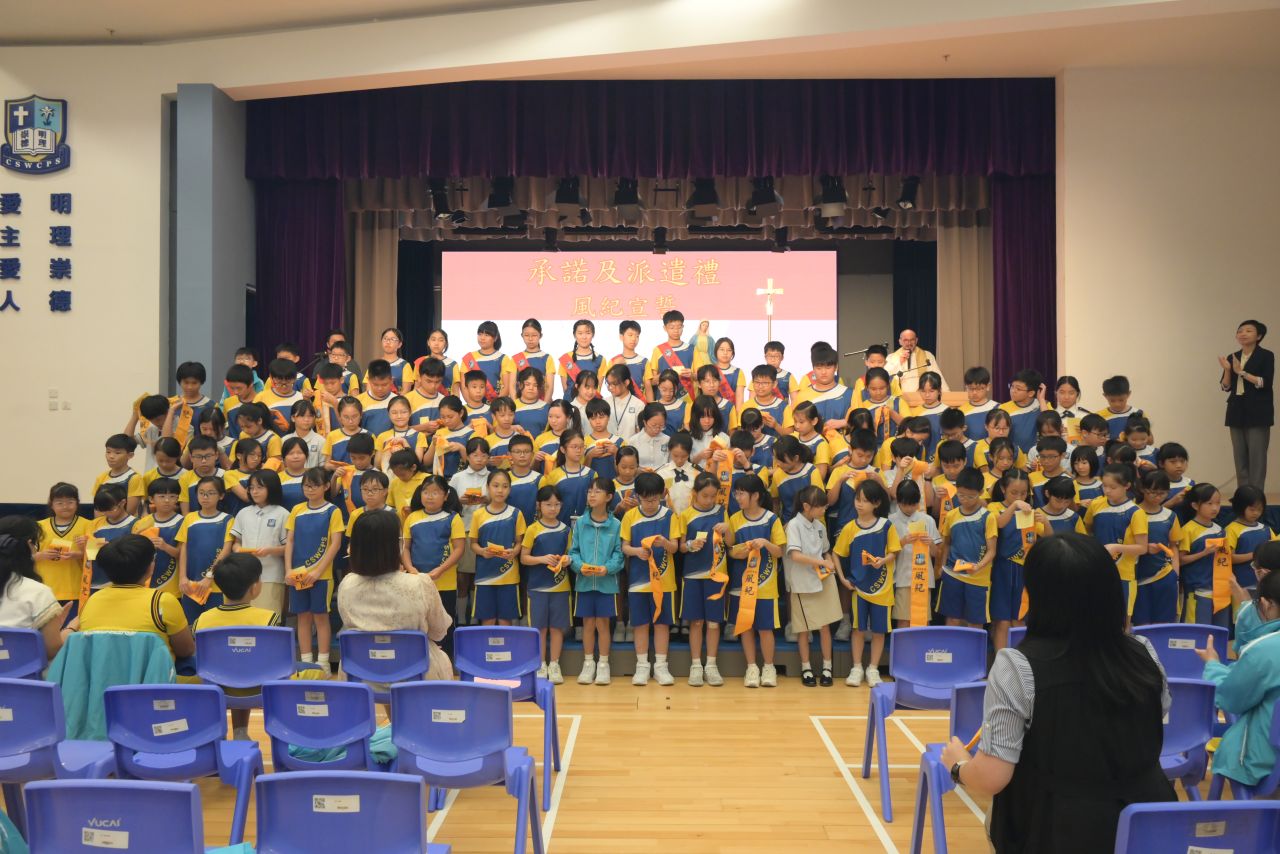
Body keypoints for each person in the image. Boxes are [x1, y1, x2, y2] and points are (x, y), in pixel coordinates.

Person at [940, 533, 1174, 852]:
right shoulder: (1144, 651)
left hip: (1057, 830)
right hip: (1149, 828)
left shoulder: (1017, 666)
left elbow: (992, 777)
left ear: (1036, 594)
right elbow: (1157, 716)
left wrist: (958, 765)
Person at [339, 509, 453, 680]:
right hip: (415, 674)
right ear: (395, 546)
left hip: (361, 674)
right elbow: (439, 632)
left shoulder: (347, 585)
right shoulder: (419, 583)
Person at [192, 553, 283, 740]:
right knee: (311, 671)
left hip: (216, 689)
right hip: (260, 689)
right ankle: (241, 732)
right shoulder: (269, 618)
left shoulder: (203, 620)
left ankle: (225, 734)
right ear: (254, 587)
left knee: (233, 667)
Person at [79, 534, 196, 659]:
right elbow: (186, 650)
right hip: (152, 671)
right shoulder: (162, 601)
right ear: (150, 567)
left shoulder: (92, 601)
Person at [620, 471, 681, 686]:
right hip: (638, 581)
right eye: (646, 500)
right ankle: (642, 666)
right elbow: (625, 547)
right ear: (637, 496)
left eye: (655, 499)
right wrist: (637, 551)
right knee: (641, 624)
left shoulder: (669, 516)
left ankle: (661, 666)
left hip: (664, 582)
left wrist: (665, 543)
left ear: (662, 495)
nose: (651, 504)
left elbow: (675, 548)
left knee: (662, 624)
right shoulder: (630, 516)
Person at [284, 468, 343, 666]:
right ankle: (306, 662)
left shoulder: (332, 511)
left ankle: (323, 663)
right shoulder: (297, 510)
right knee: (303, 617)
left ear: (326, 486)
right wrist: (288, 570)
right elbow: (290, 541)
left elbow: (335, 544)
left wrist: (317, 571)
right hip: (298, 575)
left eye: (314, 485)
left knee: (321, 617)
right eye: (306, 486)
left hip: (322, 576)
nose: (309, 489)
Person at [784, 486, 840, 687]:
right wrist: (821, 562)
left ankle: (827, 668)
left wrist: (829, 561)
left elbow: (826, 550)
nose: (824, 509)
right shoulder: (793, 525)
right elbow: (795, 555)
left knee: (825, 627)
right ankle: (806, 668)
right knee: (803, 629)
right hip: (802, 583)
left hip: (822, 580)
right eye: (821, 506)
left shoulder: (820, 526)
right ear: (807, 506)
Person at [678, 473, 730, 687]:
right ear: (695, 493)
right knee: (696, 622)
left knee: (714, 623)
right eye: (705, 496)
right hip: (692, 576)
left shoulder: (722, 512)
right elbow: (681, 547)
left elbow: (731, 542)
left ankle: (711, 665)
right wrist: (690, 545)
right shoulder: (686, 515)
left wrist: (728, 530)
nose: (709, 500)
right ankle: (696, 666)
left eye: (713, 496)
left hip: (716, 575)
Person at [0, 516, 75, 659]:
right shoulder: (37, 592)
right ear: (29, 545)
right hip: (23, 673)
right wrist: (70, 627)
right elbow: (51, 651)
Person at [521, 485, 572, 684]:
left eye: (557, 504)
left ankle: (555, 664)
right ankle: (541, 664)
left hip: (560, 587)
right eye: (548, 504)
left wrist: (566, 560)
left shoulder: (566, 529)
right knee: (540, 627)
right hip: (537, 587)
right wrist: (541, 559)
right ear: (539, 505)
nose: (553, 508)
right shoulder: (532, 529)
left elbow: (571, 554)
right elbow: (524, 558)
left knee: (557, 627)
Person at [226, 470, 290, 617]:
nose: (254, 491)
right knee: (245, 619)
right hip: (244, 576)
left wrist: (269, 551)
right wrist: (239, 549)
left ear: (272, 488)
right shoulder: (243, 513)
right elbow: (236, 543)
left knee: (268, 618)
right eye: (251, 487)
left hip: (271, 574)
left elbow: (289, 547)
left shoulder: (283, 514)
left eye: (260, 487)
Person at [1220, 319, 1274, 491]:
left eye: (1248, 331)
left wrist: (1241, 372)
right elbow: (1225, 387)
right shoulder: (1233, 356)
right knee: (1240, 457)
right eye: (1240, 331)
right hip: (1236, 410)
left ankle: (1256, 496)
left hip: (1258, 411)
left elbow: (1264, 382)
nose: (1243, 334)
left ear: (1259, 336)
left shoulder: (1266, 355)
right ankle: (1243, 495)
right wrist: (1228, 370)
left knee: (1257, 457)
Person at [885, 329, 946, 395]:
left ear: (916, 340)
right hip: (899, 396)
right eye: (905, 340)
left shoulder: (927, 355)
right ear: (900, 341)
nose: (909, 343)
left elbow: (937, 376)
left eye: (912, 340)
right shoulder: (891, 357)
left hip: (921, 396)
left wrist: (946, 393)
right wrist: (900, 362)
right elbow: (886, 376)